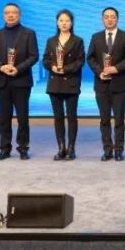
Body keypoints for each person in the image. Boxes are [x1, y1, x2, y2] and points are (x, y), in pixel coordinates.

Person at [0, 2, 38, 160]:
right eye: (7, 12)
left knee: (23, 117)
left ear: (19, 15)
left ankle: (23, 147)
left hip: (22, 80)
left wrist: (18, 68)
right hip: (2, 81)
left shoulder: (29, 33)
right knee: (4, 117)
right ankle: (5, 148)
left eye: (14, 12)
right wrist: (1, 67)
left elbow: (34, 56)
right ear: (3, 15)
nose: (10, 15)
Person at [86, 7, 125, 161]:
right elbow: (90, 58)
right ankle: (107, 150)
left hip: (119, 83)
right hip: (101, 83)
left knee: (119, 120)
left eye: (112, 17)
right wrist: (99, 72)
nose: (109, 19)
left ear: (117, 19)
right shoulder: (96, 37)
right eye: (106, 17)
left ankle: (119, 150)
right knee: (104, 119)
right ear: (102, 19)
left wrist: (116, 68)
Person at [42, 9, 86, 161]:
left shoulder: (78, 41)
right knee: (58, 117)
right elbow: (45, 60)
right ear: (57, 23)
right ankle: (61, 148)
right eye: (61, 20)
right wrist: (53, 67)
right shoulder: (51, 41)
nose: (64, 23)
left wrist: (65, 69)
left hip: (71, 82)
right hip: (55, 83)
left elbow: (80, 61)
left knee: (72, 117)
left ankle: (71, 148)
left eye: (67, 20)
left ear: (71, 23)